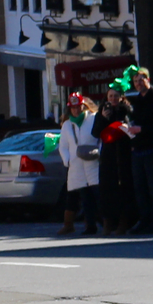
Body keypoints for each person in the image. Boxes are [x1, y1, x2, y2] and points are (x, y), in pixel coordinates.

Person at [126, 67, 153, 234]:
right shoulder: (137, 101)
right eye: (135, 81)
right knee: (140, 187)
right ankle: (144, 220)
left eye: (141, 80)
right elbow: (134, 122)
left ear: (148, 80)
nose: (138, 84)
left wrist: (141, 129)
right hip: (137, 149)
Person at [57, 92, 101, 236]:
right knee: (85, 197)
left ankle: (109, 224)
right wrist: (67, 160)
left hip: (93, 162)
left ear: (83, 106)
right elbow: (62, 146)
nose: (76, 110)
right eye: (73, 107)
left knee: (99, 194)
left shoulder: (94, 119)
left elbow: (101, 138)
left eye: (78, 107)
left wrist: (100, 152)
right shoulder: (67, 125)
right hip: (76, 166)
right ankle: (90, 226)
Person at [95, 83, 136, 234]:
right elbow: (95, 132)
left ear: (121, 97)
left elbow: (132, 129)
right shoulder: (103, 111)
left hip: (123, 152)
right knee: (107, 188)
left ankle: (124, 222)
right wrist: (103, 119)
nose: (113, 99)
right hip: (108, 154)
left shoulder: (127, 110)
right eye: (110, 96)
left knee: (124, 189)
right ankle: (107, 222)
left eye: (116, 96)